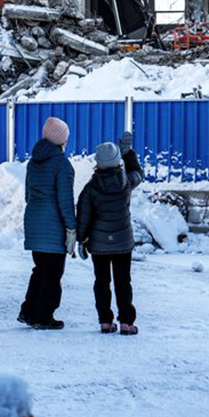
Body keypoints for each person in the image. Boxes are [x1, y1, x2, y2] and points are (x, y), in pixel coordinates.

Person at [76, 131, 143, 335]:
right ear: (117, 162)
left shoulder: (90, 188)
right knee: (124, 282)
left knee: (102, 282)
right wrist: (128, 153)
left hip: (99, 245)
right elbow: (138, 172)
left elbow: (83, 216)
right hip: (123, 243)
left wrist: (81, 240)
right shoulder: (126, 183)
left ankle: (105, 321)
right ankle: (126, 323)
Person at [18, 116, 77, 330]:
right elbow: (65, 200)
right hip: (53, 224)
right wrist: (71, 226)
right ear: (61, 140)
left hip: (33, 219)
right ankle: (43, 316)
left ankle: (28, 311)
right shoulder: (62, 165)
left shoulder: (34, 162)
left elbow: (27, 195)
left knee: (40, 269)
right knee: (52, 273)